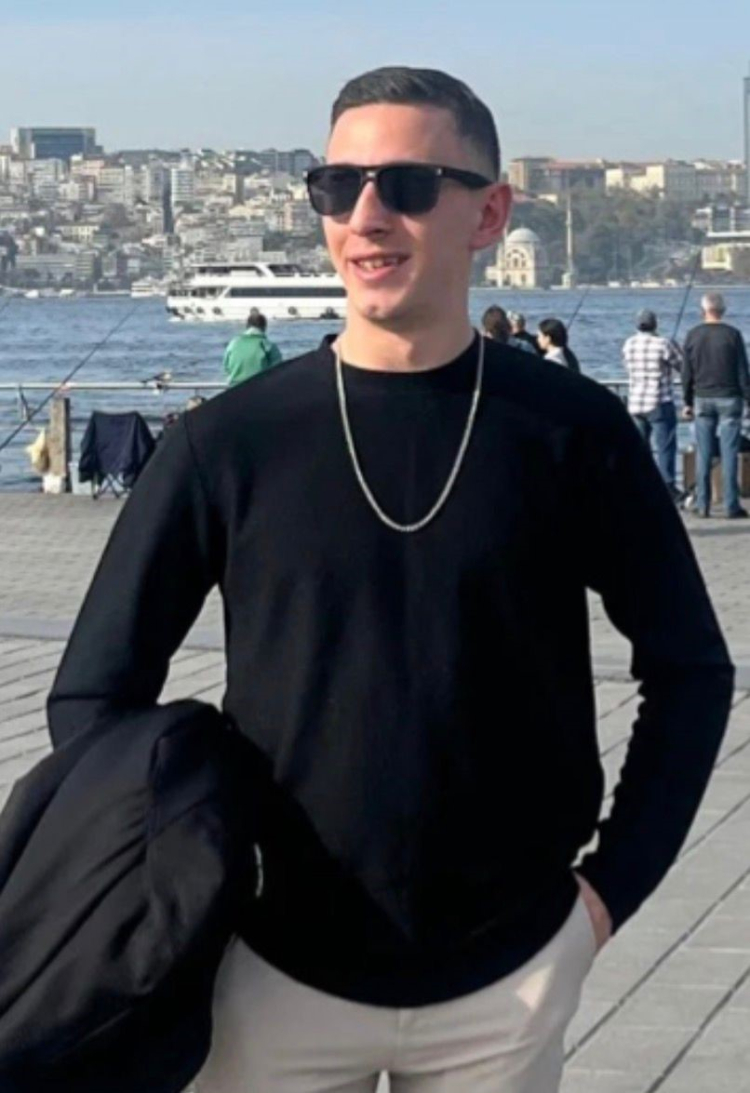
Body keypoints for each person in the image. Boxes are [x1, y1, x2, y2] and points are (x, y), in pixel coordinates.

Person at [47, 66, 734, 1093]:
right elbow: (93, 695)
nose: (367, 215)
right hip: (266, 974)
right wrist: (180, 888)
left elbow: (691, 671)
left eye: (409, 185)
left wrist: (605, 898)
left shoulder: (572, 432)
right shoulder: (226, 443)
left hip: (508, 980)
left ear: (488, 213)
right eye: (338, 186)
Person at [682, 292, 750, 518]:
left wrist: (687, 401)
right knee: (729, 453)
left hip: (702, 398)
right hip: (730, 397)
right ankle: (731, 505)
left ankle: (703, 505)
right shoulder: (733, 335)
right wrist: (748, 398)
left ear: (703, 310)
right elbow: (743, 372)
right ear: (723, 310)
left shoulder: (693, 335)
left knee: (704, 453)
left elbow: (686, 373)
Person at [621, 308, 683, 500]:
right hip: (659, 401)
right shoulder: (663, 343)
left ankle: (640, 486)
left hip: (635, 402)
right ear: (655, 324)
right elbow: (682, 365)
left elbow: (627, 367)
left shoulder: (629, 344)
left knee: (640, 448)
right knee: (665, 446)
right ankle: (668, 486)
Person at [222, 310, 283, 386]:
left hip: (235, 387)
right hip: (259, 387)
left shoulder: (233, 343)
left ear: (247, 326)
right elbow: (278, 370)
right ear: (264, 327)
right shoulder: (268, 345)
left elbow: (226, 367)